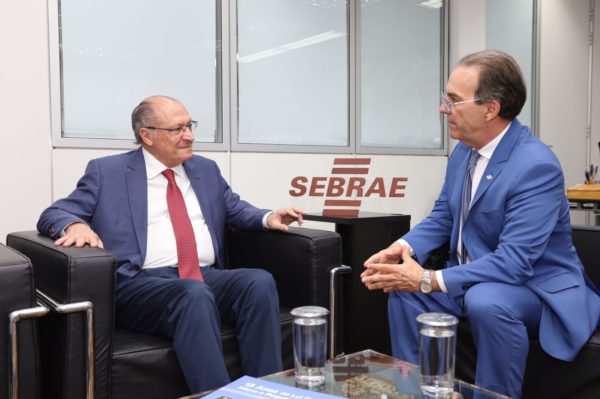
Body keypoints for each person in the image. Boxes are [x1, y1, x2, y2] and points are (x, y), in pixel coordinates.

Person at [361, 50, 600, 398]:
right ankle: (418, 392)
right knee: (405, 293)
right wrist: (402, 248)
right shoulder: (463, 152)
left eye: (454, 100)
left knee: (486, 300)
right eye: (445, 98)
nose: (444, 109)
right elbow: (444, 215)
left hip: (535, 289)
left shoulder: (536, 166)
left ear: (491, 108)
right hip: (473, 282)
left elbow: (515, 262)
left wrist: (428, 278)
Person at [37, 95, 305, 392]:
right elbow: (55, 212)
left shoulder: (206, 169)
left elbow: (234, 208)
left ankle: (267, 391)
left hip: (204, 275)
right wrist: (74, 224)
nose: (189, 135)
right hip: (139, 282)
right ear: (146, 135)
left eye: (190, 126)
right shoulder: (108, 172)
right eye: (177, 129)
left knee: (258, 282)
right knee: (192, 294)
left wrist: (269, 217)